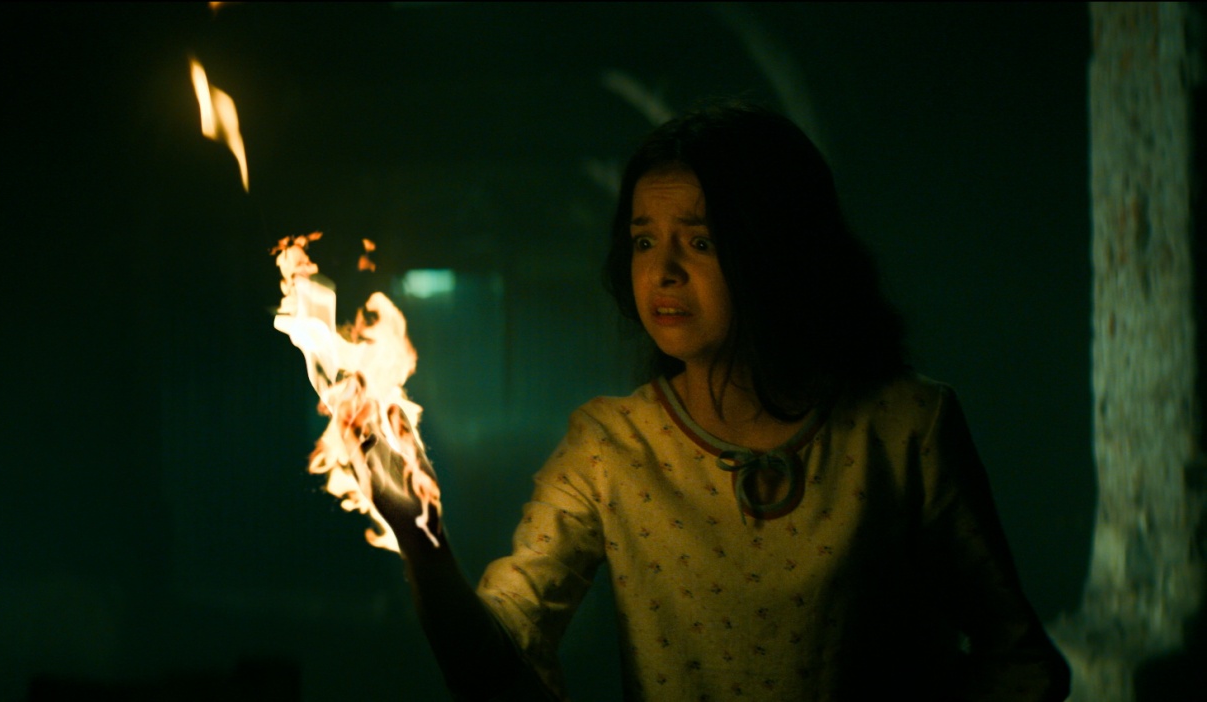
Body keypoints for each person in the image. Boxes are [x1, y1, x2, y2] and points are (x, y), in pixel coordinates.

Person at [370, 101, 1071, 701]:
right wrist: (421, 538)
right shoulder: (609, 446)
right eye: (645, 240)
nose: (663, 271)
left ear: (777, 250)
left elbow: (1020, 662)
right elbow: (498, 661)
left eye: (700, 241)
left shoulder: (903, 428)